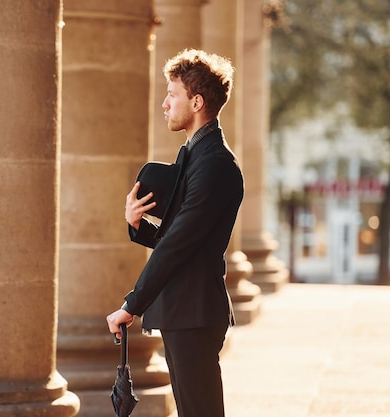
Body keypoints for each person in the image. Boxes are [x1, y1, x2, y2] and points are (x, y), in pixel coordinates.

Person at [106, 48, 243, 417]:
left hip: (194, 312)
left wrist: (132, 304)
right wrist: (139, 226)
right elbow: (181, 240)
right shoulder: (194, 156)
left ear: (196, 101)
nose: (165, 104)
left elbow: (179, 245)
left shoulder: (214, 164)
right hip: (186, 310)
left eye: (172, 94)